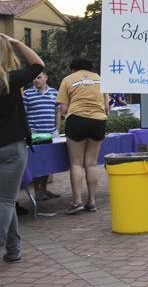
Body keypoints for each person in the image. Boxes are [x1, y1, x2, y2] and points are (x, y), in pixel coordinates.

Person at [0, 33, 44, 263]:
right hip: (12, 146)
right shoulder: (11, 79)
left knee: (4, 198)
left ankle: (14, 248)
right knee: (6, 200)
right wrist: (17, 43)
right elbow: (38, 65)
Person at [57, 58, 109, 214]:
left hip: (77, 120)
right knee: (92, 163)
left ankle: (77, 201)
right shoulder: (100, 79)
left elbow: (64, 109)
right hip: (98, 121)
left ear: (74, 69)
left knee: (76, 163)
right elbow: (106, 107)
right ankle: (92, 202)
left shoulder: (68, 80)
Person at [22, 72, 61, 201]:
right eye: (34, 78)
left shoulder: (54, 92)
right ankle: (37, 191)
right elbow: (23, 114)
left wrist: (57, 129)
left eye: (38, 77)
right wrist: (29, 132)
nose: (36, 80)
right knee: (36, 163)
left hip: (50, 133)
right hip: (35, 136)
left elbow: (57, 112)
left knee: (47, 163)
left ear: (46, 78)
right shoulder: (27, 94)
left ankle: (43, 189)